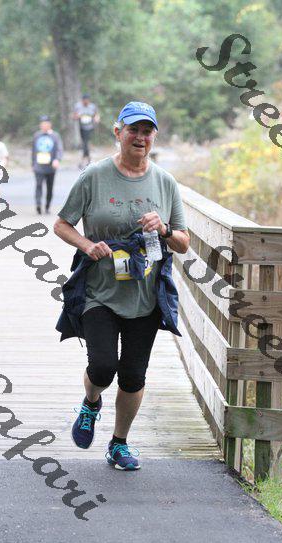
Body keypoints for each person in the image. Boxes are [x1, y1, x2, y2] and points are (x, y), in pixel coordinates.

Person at [54, 101, 190, 470]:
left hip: (145, 296)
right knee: (102, 367)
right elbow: (62, 224)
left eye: (147, 131)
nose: (140, 137)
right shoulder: (94, 176)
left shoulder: (165, 181)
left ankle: (119, 444)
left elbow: (183, 242)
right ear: (118, 132)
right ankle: (91, 403)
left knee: (132, 375)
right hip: (99, 291)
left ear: (154, 136)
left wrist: (164, 228)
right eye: (133, 130)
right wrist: (87, 245)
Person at [32, 115, 63, 215]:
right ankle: (38, 205)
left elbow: (59, 149)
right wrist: (33, 163)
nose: (44, 125)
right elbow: (33, 151)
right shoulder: (37, 135)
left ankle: (47, 206)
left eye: (46, 124)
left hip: (51, 166)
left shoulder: (55, 136)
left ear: (50, 124)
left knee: (50, 187)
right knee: (38, 185)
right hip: (39, 166)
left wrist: (57, 159)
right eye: (42, 124)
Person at [73, 93, 100, 168]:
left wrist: (97, 118)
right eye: (84, 100)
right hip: (81, 127)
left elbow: (96, 115)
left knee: (86, 142)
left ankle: (85, 160)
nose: (86, 102)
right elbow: (74, 116)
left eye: (87, 100)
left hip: (90, 127)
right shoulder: (78, 106)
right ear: (82, 100)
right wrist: (77, 116)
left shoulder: (92, 106)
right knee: (85, 143)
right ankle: (88, 159)